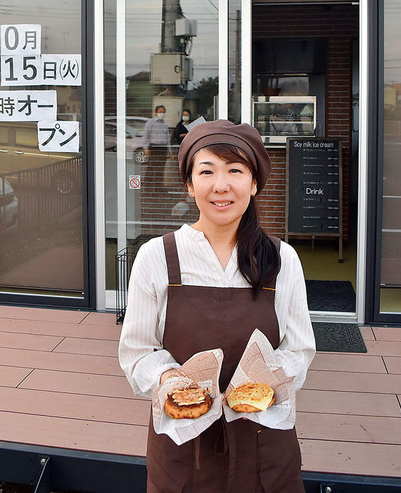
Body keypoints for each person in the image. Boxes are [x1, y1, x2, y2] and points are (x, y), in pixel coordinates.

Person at [119, 119, 315, 492]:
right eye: (207, 171)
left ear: (254, 183)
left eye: (235, 171)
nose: (221, 185)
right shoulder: (157, 257)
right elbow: (137, 351)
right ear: (190, 185)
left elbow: (299, 349)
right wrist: (172, 382)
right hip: (182, 450)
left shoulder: (281, 259)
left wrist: (260, 386)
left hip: (265, 443)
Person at [142, 104, 172, 193]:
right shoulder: (150, 122)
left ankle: (159, 187)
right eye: (160, 112)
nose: (162, 114)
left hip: (163, 148)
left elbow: (167, 138)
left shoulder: (165, 124)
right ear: (156, 113)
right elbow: (146, 135)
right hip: (154, 147)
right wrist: (145, 148)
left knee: (160, 169)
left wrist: (170, 151)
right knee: (151, 168)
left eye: (163, 112)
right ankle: (147, 187)